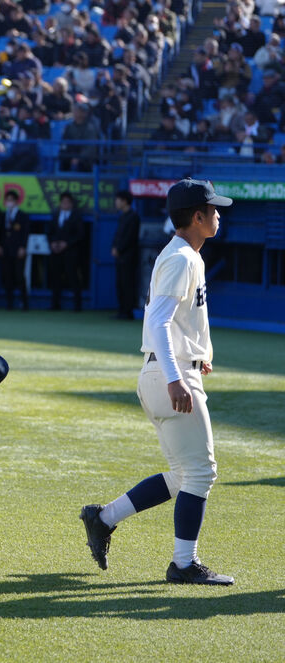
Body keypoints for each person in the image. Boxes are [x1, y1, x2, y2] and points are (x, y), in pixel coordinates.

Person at [80, 179, 234, 586]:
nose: (219, 214)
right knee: (201, 473)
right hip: (169, 375)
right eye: (213, 209)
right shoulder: (182, 257)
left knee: (184, 475)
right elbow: (158, 322)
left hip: (168, 370)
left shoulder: (185, 255)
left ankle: (104, 517)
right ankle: (183, 564)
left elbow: (176, 322)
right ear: (197, 217)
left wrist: (197, 357)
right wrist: (175, 377)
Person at [48, 192, 85, 311]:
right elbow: (49, 231)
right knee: (55, 277)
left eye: (67, 202)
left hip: (71, 252)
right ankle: (55, 304)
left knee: (73, 277)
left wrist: (67, 243)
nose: (65, 204)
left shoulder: (76, 216)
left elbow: (80, 235)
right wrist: (52, 243)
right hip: (56, 251)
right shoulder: (55, 215)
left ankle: (77, 305)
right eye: (63, 202)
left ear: (71, 204)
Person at [0, 189, 30, 310]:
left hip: (18, 250)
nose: (9, 202)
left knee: (19, 276)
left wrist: (23, 247)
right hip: (5, 250)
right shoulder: (3, 216)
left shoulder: (23, 216)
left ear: (16, 201)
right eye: (7, 200)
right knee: (7, 276)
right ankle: (9, 303)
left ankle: (24, 302)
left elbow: (25, 233)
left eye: (11, 200)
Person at [112, 190, 141, 320]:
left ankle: (128, 311)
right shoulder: (123, 216)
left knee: (127, 284)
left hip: (128, 257)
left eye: (118, 199)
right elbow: (118, 235)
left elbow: (130, 237)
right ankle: (122, 310)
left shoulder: (133, 217)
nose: (116, 202)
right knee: (120, 284)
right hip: (121, 257)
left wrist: (119, 248)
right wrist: (114, 247)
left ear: (124, 201)